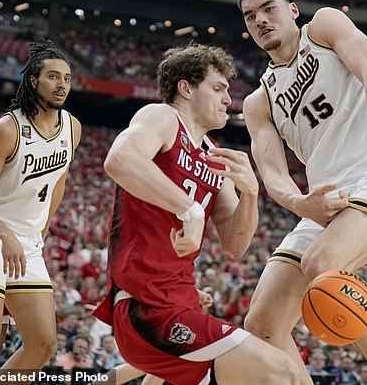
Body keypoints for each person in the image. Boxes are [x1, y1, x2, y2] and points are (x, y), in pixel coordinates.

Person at [238, 0, 367, 385]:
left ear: (292, 10)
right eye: (250, 16)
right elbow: (273, 175)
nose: (260, 20)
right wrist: (299, 204)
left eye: (268, 8)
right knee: (262, 325)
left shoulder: (323, 27)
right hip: (327, 202)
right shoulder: (258, 102)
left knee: (322, 263)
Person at [92, 44, 299, 384]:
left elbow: (235, 244)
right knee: (282, 374)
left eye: (228, 91)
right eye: (218, 89)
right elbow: (120, 159)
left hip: (181, 302)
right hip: (147, 308)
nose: (227, 99)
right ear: (185, 89)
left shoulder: (213, 155)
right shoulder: (162, 117)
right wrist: (190, 211)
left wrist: (251, 193)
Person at [0, 40, 81, 383]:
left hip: (26, 241)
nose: (61, 84)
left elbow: (59, 183)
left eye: (67, 78)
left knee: (42, 342)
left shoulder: (72, 127)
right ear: (34, 82)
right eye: (53, 76)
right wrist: (7, 236)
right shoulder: (7, 129)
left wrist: (40, 232)